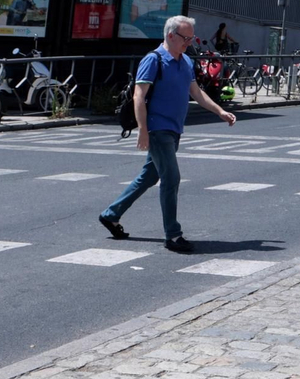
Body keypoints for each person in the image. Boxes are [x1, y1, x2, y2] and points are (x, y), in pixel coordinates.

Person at [99, 15, 235, 253]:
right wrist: (143, 131)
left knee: (149, 177)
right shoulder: (154, 60)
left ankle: (111, 214)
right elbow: (138, 96)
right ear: (171, 35)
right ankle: (173, 235)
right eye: (186, 37)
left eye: (192, 37)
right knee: (171, 179)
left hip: (174, 130)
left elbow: (197, 93)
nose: (190, 42)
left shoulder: (185, 62)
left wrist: (220, 111)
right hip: (157, 129)